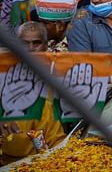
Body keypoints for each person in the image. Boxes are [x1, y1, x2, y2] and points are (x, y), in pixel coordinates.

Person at [1, 22, 65, 164]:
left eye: (36, 43)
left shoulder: (60, 72)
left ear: (46, 46)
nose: (30, 49)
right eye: (25, 43)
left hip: (54, 155)